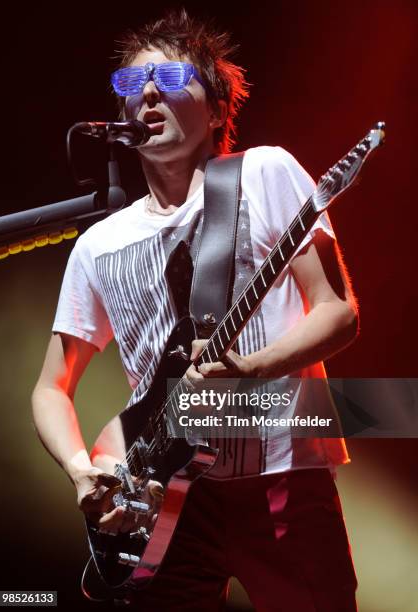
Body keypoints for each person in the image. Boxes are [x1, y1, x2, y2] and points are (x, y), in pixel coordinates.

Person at [32, 8, 359, 611]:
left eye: (172, 79)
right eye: (131, 85)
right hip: (159, 501)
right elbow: (52, 387)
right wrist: (82, 470)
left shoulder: (265, 174)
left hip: (282, 475)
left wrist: (253, 368)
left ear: (214, 111)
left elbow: (338, 312)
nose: (148, 93)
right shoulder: (98, 244)